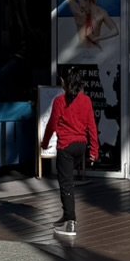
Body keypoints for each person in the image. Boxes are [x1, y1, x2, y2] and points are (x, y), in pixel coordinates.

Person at [41, 67, 99, 238]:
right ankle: (66, 215)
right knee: (68, 180)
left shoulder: (60, 101)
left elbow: (52, 125)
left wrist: (45, 143)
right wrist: (94, 151)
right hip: (80, 146)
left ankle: (70, 223)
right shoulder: (86, 101)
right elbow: (92, 127)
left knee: (66, 184)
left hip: (66, 146)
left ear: (64, 82)